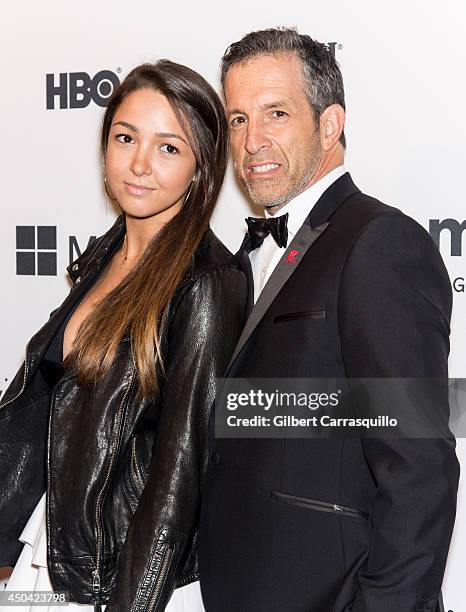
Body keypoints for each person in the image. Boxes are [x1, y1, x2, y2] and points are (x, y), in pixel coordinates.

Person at [199, 27, 459, 612]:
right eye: (238, 120)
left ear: (330, 123)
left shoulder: (379, 242)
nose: (252, 141)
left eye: (275, 113)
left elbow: (418, 466)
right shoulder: (243, 260)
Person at [0, 60, 247, 611]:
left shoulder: (207, 282)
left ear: (201, 167)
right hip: (57, 551)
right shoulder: (103, 258)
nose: (138, 164)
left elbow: (181, 475)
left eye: (168, 148)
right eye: (125, 137)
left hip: (125, 580)